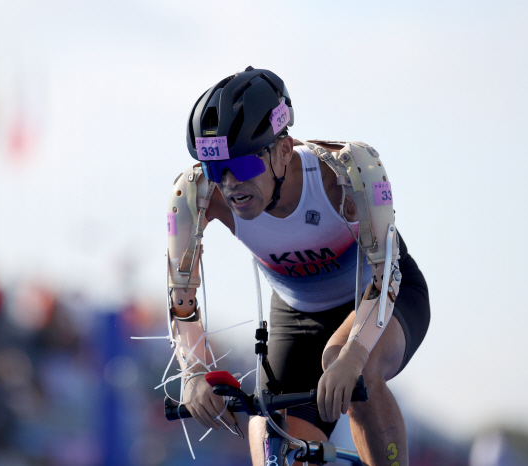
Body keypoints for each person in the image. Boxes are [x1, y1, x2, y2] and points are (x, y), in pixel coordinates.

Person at [165, 67, 430, 466]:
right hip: (296, 313)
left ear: (284, 150)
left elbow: (383, 276)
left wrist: (355, 358)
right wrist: (194, 373)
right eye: (215, 169)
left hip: (381, 295)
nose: (231, 183)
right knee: (269, 427)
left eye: (245, 166)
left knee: (346, 363)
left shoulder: (347, 171)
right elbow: (181, 293)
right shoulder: (195, 192)